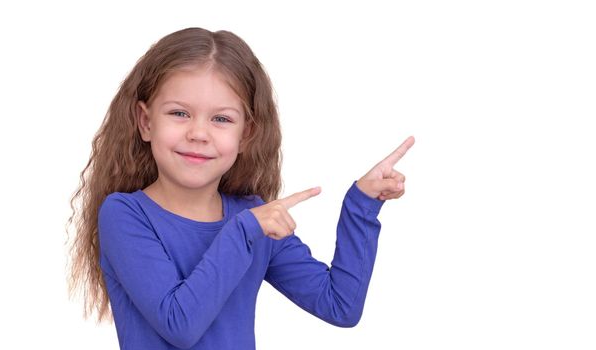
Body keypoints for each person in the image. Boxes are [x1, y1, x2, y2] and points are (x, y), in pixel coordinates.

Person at [67, 27, 414, 350]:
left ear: (246, 134)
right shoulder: (124, 214)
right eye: (179, 113)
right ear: (145, 122)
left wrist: (362, 205)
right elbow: (179, 324)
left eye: (221, 119)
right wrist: (244, 230)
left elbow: (340, 306)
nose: (198, 133)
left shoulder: (251, 219)